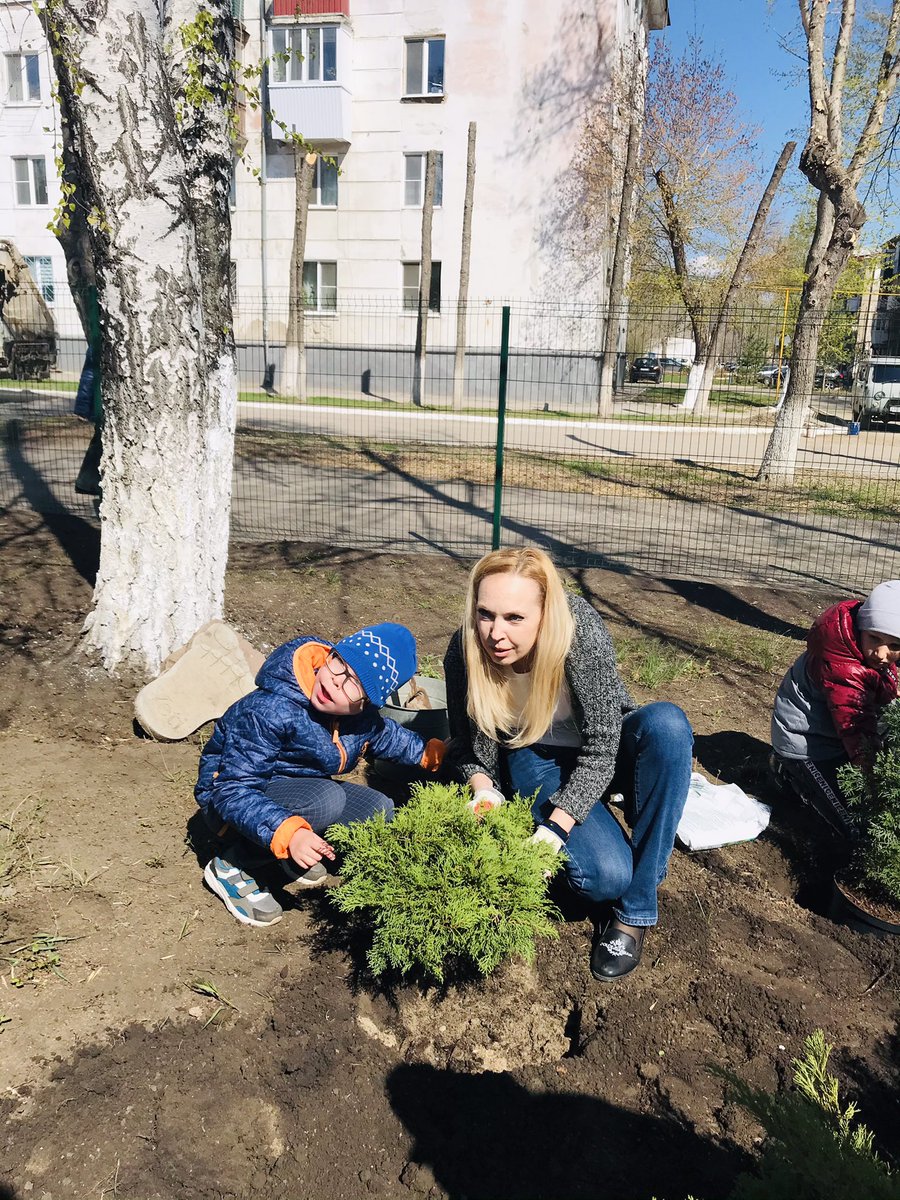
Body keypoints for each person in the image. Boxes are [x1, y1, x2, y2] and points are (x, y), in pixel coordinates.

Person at [443, 547, 693, 982]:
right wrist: (484, 787)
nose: (495, 634)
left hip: (604, 748)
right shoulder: (464, 651)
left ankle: (635, 912)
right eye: (486, 614)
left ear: (545, 612)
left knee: (668, 726)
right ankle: (618, 860)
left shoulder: (579, 632)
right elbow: (464, 747)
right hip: (533, 752)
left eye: (514, 618)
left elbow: (602, 749)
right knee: (604, 876)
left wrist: (556, 827)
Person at [196, 622, 445, 927]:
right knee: (326, 799)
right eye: (339, 663)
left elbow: (386, 736)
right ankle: (235, 864)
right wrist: (289, 833)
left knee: (377, 808)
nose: (336, 682)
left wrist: (430, 755)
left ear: (369, 703)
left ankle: (287, 852)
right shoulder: (269, 710)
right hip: (229, 803)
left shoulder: (359, 717)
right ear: (332, 653)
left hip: (292, 793)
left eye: (355, 684)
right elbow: (232, 789)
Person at [771, 580, 900, 839]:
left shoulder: (864, 650)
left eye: (895, 646)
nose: (882, 653)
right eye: (875, 638)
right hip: (808, 744)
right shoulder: (845, 667)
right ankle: (789, 773)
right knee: (857, 823)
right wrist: (874, 783)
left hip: (837, 730)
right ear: (862, 627)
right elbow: (857, 730)